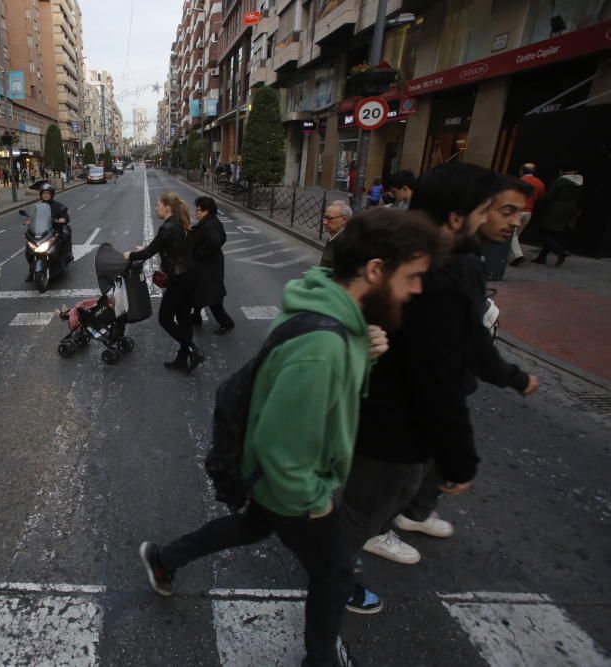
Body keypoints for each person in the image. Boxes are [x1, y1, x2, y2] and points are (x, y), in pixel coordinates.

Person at [139, 208, 442, 667]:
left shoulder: (324, 313)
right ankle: (320, 660)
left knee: (249, 526)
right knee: (336, 571)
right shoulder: (324, 345)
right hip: (294, 484)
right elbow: (286, 444)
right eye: (413, 276)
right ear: (376, 270)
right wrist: (315, 501)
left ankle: (164, 558)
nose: (418, 289)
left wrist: (363, 350)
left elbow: (322, 394)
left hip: (273, 479)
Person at [342, 165, 538, 598]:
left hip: (403, 421)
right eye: (494, 209)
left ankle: (351, 551)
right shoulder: (427, 271)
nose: (505, 221)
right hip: (389, 418)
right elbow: (434, 373)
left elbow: (465, 342)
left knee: (397, 489)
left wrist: (509, 375)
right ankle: (335, 581)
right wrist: (459, 459)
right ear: (456, 217)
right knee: (362, 507)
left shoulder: (457, 263)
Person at [126, 193, 204, 372]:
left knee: (165, 318)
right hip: (190, 276)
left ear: (167, 207)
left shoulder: (168, 227)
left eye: (158, 205)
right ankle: (183, 358)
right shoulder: (179, 222)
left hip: (179, 280)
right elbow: (161, 246)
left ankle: (193, 350)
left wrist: (129, 255)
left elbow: (148, 253)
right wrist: (145, 249)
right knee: (184, 318)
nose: (156, 208)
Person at [189, 196, 235, 334]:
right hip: (210, 264)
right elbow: (223, 238)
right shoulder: (212, 221)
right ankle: (196, 317)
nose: (195, 213)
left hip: (208, 267)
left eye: (198, 210)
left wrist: (198, 253)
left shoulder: (209, 225)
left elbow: (215, 241)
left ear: (206, 211)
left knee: (212, 297)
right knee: (198, 292)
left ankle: (226, 323)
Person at [532, 166, 583, 266]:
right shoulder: (579, 182)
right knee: (553, 233)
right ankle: (542, 257)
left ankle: (560, 252)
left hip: (555, 209)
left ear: (561, 171)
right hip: (569, 210)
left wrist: (541, 205)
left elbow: (549, 195)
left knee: (543, 231)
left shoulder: (560, 181)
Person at [25, 184, 72, 281]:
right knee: (29, 246)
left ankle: (63, 259)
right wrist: (29, 221)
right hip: (41, 232)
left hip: (54, 230)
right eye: (44, 193)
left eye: (47, 193)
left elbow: (65, 215)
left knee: (62, 239)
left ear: (52, 194)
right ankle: (31, 270)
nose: (45, 195)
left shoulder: (58, 206)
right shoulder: (38, 207)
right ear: (41, 195)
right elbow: (33, 217)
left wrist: (63, 219)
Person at [509, 163, 546, 267]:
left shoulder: (520, 181)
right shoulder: (540, 183)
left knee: (512, 235)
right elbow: (541, 197)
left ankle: (518, 255)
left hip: (518, 210)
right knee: (515, 235)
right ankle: (511, 255)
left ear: (522, 170)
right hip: (529, 212)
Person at [320, 201, 352, 269]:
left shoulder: (347, 244)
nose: (324, 222)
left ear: (344, 220)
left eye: (330, 218)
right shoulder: (333, 237)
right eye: (324, 218)